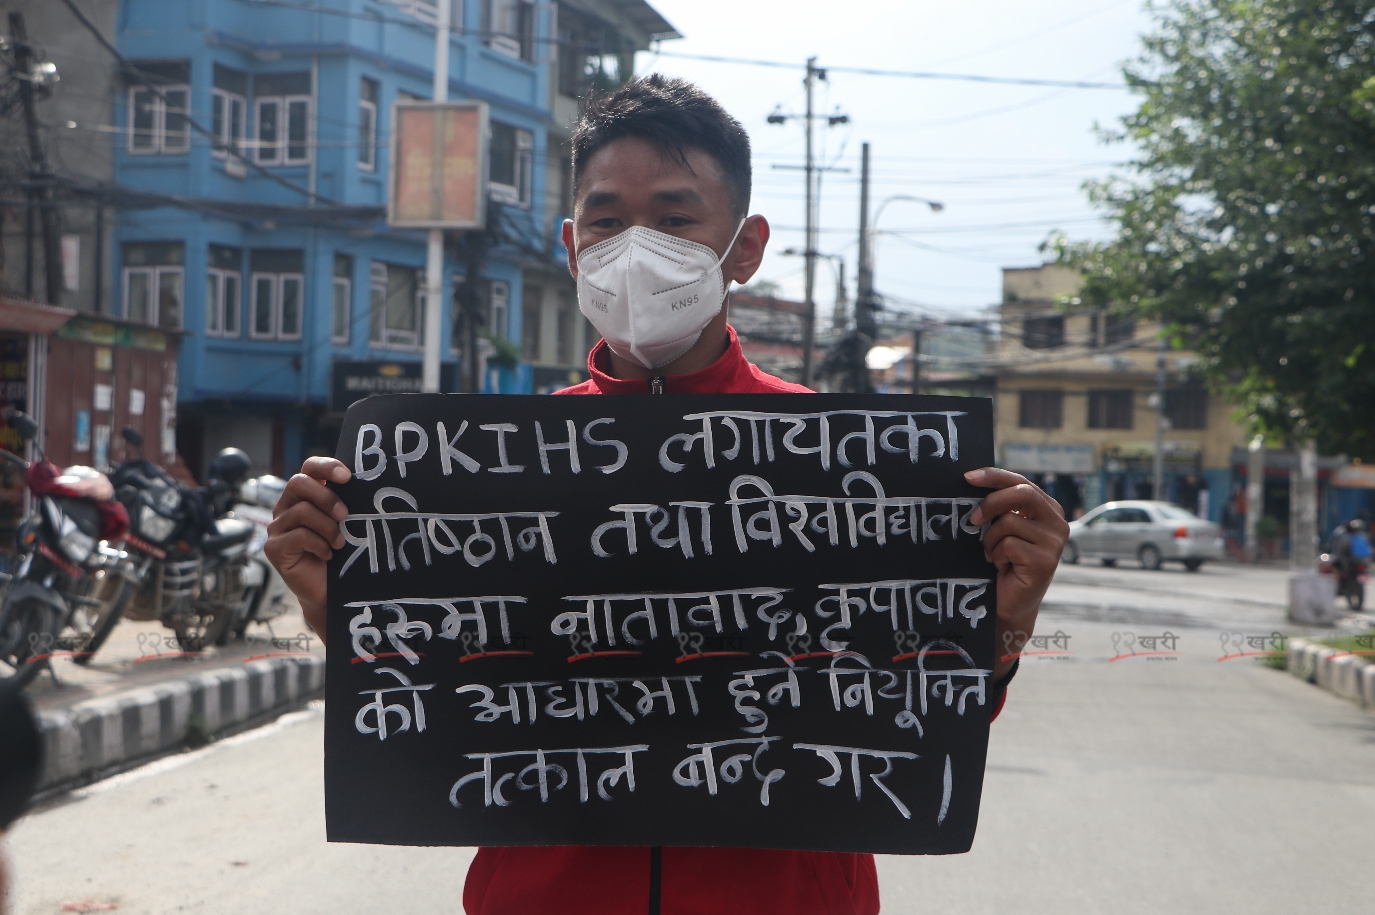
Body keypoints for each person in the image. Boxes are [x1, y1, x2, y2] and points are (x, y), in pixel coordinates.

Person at [265, 75, 1070, 915]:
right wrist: (342, 613)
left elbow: (910, 716)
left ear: (746, 248)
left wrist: (1004, 619)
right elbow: (435, 718)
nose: (636, 249)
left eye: (677, 219)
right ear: (573, 248)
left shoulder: (863, 468)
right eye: (608, 220)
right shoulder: (472, 478)